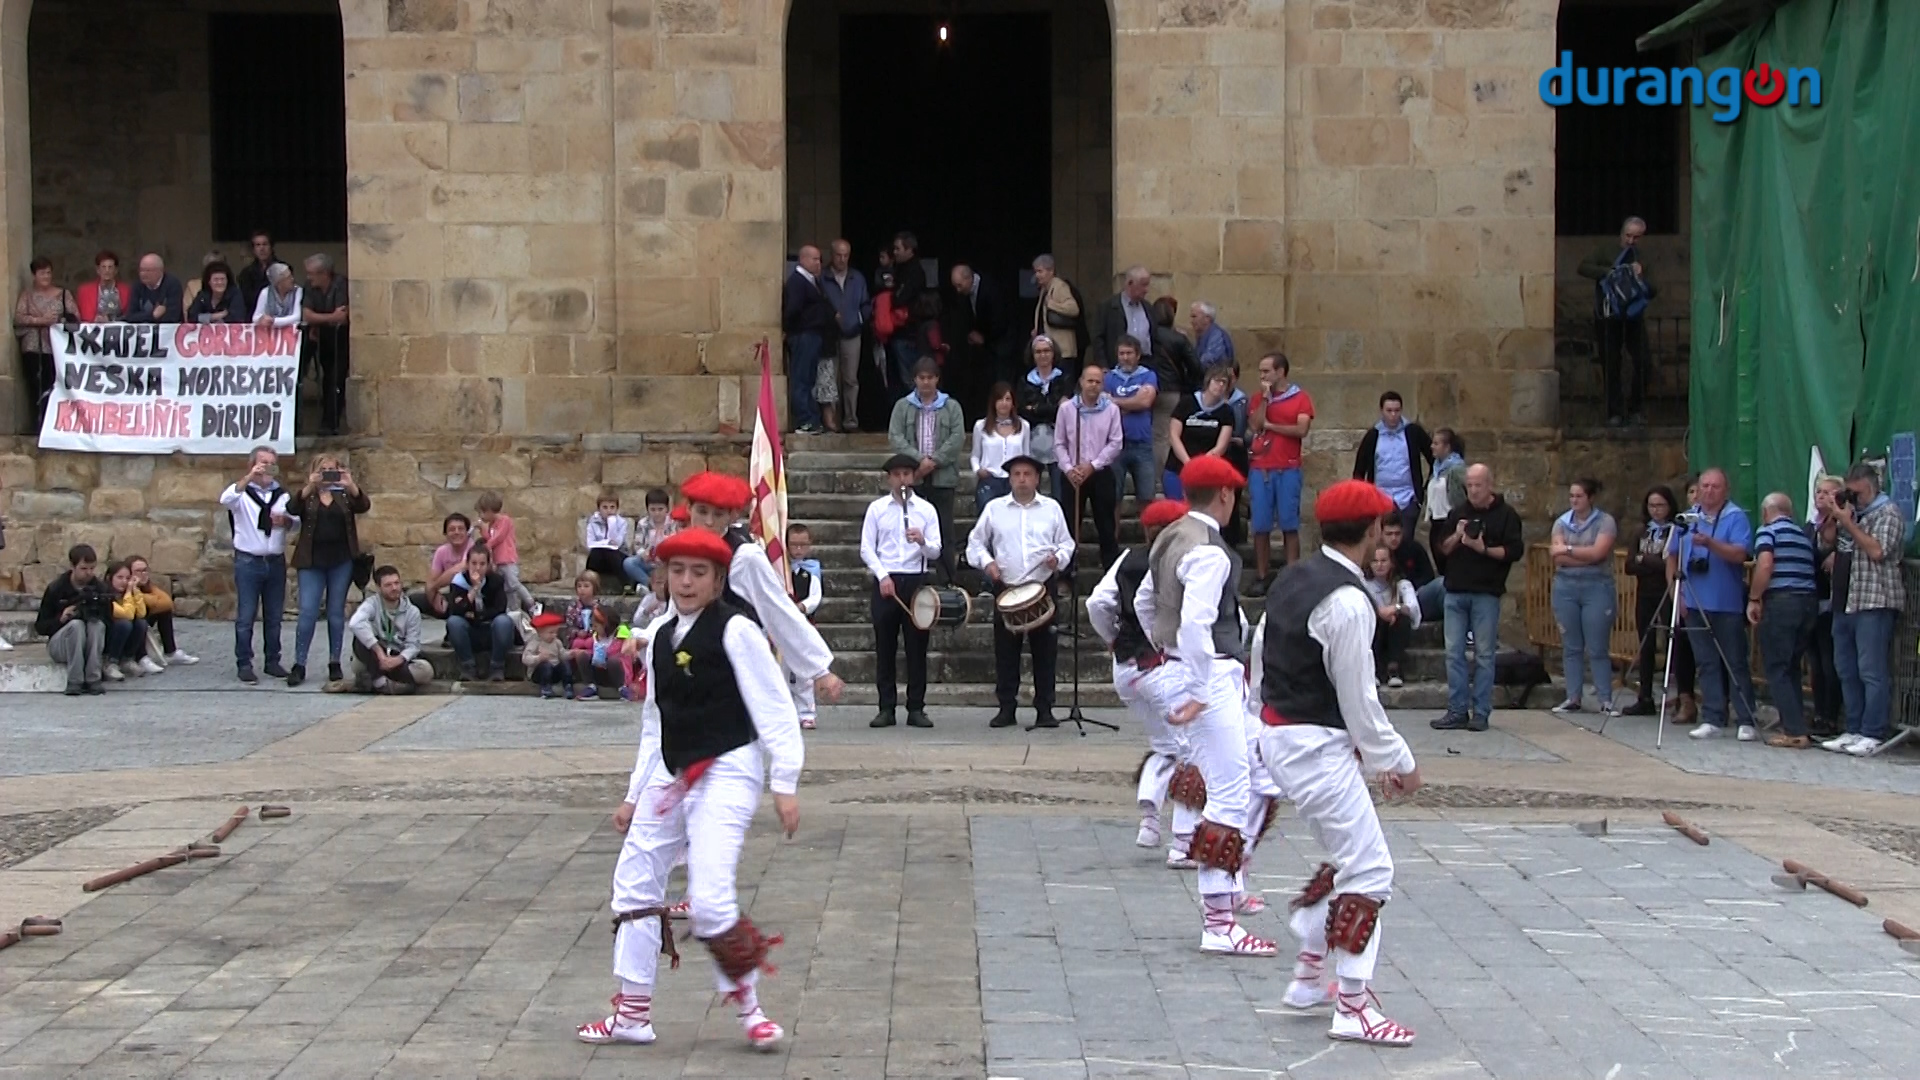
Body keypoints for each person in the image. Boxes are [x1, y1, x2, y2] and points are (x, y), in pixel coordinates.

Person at [576, 528, 804, 1052]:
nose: (685, 581)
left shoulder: (737, 631)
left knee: (708, 898)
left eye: (698, 573)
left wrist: (785, 780)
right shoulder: (656, 635)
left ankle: (751, 1010)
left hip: (728, 766)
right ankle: (631, 1014)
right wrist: (635, 795)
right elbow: (656, 723)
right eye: (677, 571)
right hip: (672, 770)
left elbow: (774, 705)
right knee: (634, 882)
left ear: (719, 579)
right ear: (664, 576)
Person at [1254, 479, 1421, 1047]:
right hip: (1312, 744)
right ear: (1374, 531)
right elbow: (1360, 698)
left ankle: (1306, 978)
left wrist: (1260, 717)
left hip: (1283, 734)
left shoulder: (1291, 577)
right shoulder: (1350, 602)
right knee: (1371, 870)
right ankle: (1352, 1007)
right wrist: (1397, 760)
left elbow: (1260, 650)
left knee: (1349, 856)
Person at [1135, 456, 1274, 958]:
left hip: (1191, 667)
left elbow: (1144, 603)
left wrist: (1163, 649)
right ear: (1225, 496)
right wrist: (1195, 684)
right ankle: (1219, 921)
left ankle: (1230, 887)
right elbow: (1195, 622)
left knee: (1258, 773)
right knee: (1230, 793)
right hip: (1208, 672)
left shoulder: (1169, 537)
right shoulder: (1210, 551)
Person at [1088, 498, 1198, 862]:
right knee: (1192, 751)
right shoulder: (1188, 561)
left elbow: (1096, 604)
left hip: (1126, 669)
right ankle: (1183, 842)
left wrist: (1111, 639)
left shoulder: (1126, 558)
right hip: (1165, 666)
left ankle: (1150, 824)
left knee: (1165, 745)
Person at [679, 471, 843, 711]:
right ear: (689, 510)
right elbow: (675, 611)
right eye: (702, 512)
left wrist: (819, 669)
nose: (709, 522)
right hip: (692, 659)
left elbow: (778, 609)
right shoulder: (684, 550)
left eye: (718, 514)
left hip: (734, 661)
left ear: (732, 515)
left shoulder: (745, 557)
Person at [968, 456, 1074, 730]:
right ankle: (1006, 707)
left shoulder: (1051, 508)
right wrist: (987, 563)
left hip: (1042, 588)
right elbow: (975, 543)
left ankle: (1045, 708)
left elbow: (1066, 543)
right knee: (1005, 651)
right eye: (1017, 474)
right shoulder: (994, 509)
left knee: (1045, 650)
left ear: (1038, 478)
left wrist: (1058, 559)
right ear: (1010, 478)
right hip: (1008, 587)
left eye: (1028, 473)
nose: (1022, 479)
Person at [1819, 462, 1907, 756]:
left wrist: (1850, 522)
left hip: (1875, 601)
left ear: (1870, 488)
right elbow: (1829, 543)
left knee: (1871, 670)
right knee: (1846, 669)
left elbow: (1877, 551)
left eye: (1855, 493)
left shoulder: (1888, 512)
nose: (1852, 498)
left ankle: (1873, 731)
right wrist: (1833, 516)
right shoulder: (1852, 513)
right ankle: (1854, 727)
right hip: (1845, 601)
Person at [1432, 465, 1524, 732]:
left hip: (1486, 592)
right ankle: (1457, 709)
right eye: (1469, 486)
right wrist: (1458, 536)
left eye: (1478, 485)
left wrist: (1482, 549)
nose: (1473, 490)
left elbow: (1513, 551)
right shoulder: (1458, 513)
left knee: (1484, 654)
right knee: (1453, 653)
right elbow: (1443, 549)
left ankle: (1481, 712)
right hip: (1455, 590)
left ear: (1490, 484)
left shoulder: (1506, 516)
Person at [1669, 468, 1755, 740]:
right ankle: (1713, 716)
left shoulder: (1735, 517)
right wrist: (1676, 593)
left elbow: (1740, 554)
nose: (1708, 491)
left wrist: (1710, 543)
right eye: (1704, 486)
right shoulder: (1688, 517)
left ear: (1725, 490)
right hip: (1694, 600)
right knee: (1705, 662)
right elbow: (1671, 554)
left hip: (1725, 602)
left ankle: (1746, 717)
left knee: (1734, 661)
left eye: (1715, 486)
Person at [862, 455, 942, 729]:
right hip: (887, 579)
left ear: (914, 477)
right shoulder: (877, 509)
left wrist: (922, 541)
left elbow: (936, 550)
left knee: (917, 647)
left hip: (915, 579)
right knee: (885, 646)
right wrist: (882, 575)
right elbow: (866, 548)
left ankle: (917, 707)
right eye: (897, 474)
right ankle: (886, 707)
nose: (902, 479)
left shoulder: (926, 510)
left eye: (907, 473)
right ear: (889, 479)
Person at [285, 454, 370, 688]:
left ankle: (334, 662)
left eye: (333, 469)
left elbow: (364, 505)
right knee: (308, 612)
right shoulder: (309, 495)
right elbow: (291, 508)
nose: (328, 474)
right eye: (324, 470)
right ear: (315, 471)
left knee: (335, 613)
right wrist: (310, 485)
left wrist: (350, 484)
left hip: (340, 560)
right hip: (312, 561)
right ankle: (299, 663)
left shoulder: (343, 495)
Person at [1749, 492, 1819, 748]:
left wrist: (1754, 597)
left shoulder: (1768, 531)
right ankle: (1796, 724)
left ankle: (1793, 731)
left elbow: (1765, 565)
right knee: (1791, 667)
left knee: (1777, 667)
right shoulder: (1802, 535)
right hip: (1807, 602)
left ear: (1766, 512)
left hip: (1782, 601)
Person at [887, 359, 966, 586]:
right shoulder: (903, 406)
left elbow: (957, 438)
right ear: (915, 380)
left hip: (943, 477)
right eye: (921, 378)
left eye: (930, 377)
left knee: (944, 529)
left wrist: (934, 461)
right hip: (915, 477)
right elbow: (896, 436)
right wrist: (918, 460)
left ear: (937, 379)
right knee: (913, 526)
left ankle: (947, 579)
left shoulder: (951, 406)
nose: (926, 382)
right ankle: (915, 575)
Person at [1548, 479, 1620, 717]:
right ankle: (1573, 696)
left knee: (1597, 646)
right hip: (1566, 586)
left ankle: (1605, 698)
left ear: (1590, 498)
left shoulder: (1604, 522)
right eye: (1572, 496)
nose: (1574, 500)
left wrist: (1569, 550)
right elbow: (1556, 558)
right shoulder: (1561, 522)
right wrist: (1582, 555)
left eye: (1579, 496)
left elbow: (1599, 553)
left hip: (1596, 585)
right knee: (1571, 645)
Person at [219, 446, 292, 684]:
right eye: (263, 462)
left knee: (274, 615)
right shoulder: (242, 494)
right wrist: (250, 476)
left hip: (275, 561)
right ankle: (244, 663)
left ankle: (272, 660)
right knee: (246, 615)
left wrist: (287, 521)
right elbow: (226, 499)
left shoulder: (282, 495)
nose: (267, 467)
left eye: (272, 463)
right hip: (248, 561)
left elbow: (297, 522)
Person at [1578, 216, 1655, 426]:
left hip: (1633, 317)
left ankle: (1636, 409)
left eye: (1636, 237)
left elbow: (1654, 289)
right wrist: (1610, 272)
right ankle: (1615, 412)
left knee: (1643, 363)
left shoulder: (1643, 257)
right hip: (1608, 317)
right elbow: (1583, 267)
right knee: (1611, 365)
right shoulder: (1605, 250)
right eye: (1628, 236)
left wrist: (1641, 276)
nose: (1631, 241)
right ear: (1622, 234)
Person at [1246, 352, 1313, 594]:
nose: (1262, 376)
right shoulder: (1257, 398)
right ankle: (1262, 575)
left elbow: (1301, 429)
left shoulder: (1301, 398)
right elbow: (1254, 425)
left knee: (1289, 523)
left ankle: (1292, 574)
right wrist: (1265, 400)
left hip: (1288, 468)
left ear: (1280, 372)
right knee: (1261, 525)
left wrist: (1272, 427)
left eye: (1266, 371)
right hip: (1261, 468)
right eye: (1261, 371)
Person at [1623, 486, 1690, 718]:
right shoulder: (1641, 531)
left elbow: (1669, 563)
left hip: (1668, 590)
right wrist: (1650, 561)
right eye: (1652, 506)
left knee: (1676, 642)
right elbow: (1630, 564)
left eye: (1660, 505)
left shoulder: (1676, 530)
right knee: (1646, 643)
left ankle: (1683, 695)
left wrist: (1646, 560)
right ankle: (1645, 696)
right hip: (1645, 592)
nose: (1656, 510)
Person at [1054, 363, 1124, 568]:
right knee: (1069, 524)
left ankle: (1110, 573)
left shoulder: (1112, 410)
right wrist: (1068, 468)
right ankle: (1067, 572)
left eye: (1098, 382)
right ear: (1081, 382)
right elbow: (1059, 442)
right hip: (1072, 474)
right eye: (1090, 381)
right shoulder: (1067, 409)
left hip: (1100, 472)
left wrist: (1093, 465)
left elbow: (1116, 442)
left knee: (1106, 525)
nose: (1093, 385)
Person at [1352, 391, 1433, 539]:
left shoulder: (1413, 432)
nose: (1393, 415)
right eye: (1389, 411)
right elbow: (1359, 470)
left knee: (1405, 540)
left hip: (1408, 497)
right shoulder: (1373, 435)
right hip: (1380, 496)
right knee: (1382, 540)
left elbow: (1434, 457)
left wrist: (1423, 490)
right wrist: (1364, 498)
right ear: (1381, 411)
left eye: (1397, 410)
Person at [346, 566, 433, 694]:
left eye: (397, 583)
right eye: (388, 585)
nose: (394, 588)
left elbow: (413, 645)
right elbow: (355, 623)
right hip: (373, 656)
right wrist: (379, 653)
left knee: (425, 671)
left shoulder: (412, 611)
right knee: (359, 638)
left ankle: (375, 680)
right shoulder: (371, 604)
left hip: (396, 657)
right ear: (379, 587)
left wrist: (397, 660)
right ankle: (381, 683)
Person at [37, 544, 108, 696]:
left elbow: (109, 621)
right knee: (76, 625)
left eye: (92, 568)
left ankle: (93, 679)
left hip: (89, 641)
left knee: (96, 626)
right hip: (60, 643)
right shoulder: (56, 588)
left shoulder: (99, 588)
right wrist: (61, 619)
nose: (88, 573)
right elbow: (40, 627)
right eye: (83, 568)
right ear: (72, 566)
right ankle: (75, 681)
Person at [13, 257, 75, 427]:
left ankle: (54, 422)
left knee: (54, 383)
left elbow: (74, 319)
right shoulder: (27, 295)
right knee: (36, 384)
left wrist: (59, 321)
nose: (46, 276)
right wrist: (40, 320)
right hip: (33, 346)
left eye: (48, 272)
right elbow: (19, 318)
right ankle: (38, 423)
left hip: (56, 347)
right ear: (34, 275)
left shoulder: (63, 294)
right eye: (42, 273)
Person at [782, 244, 834, 434]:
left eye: (819, 259)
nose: (819, 263)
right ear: (803, 259)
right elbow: (793, 310)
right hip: (804, 335)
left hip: (813, 336)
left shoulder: (813, 281)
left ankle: (812, 419)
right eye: (814, 259)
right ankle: (804, 420)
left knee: (810, 378)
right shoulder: (798, 282)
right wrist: (792, 329)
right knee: (801, 378)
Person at [1104, 336, 1160, 511]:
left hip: (1142, 443)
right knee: (1114, 499)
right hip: (1115, 445)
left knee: (1147, 498)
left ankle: (1150, 539)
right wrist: (1132, 401)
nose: (1125, 357)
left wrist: (1116, 401)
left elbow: (1145, 402)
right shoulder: (1109, 377)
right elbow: (1104, 407)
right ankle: (1113, 538)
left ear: (1138, 355)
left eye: (1129, 353)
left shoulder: (1149, 375)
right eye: (1121, 353)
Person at [1164, 365, 1235, 502]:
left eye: (1224, 382)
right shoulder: (1187, 402)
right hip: (1178, 468)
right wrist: (1188, 462)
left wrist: (1200, 465)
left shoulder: (1226, 411)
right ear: (1208, 381)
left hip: (1205, 471)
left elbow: (1221, 445)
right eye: (1217, 380)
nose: (1220, 385)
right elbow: (1174, 435)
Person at [445, 544, 516, 682]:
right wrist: (474, 589)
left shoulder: (496, 581)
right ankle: (468, 667)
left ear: (488, 565)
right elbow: (456, 609)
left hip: (490, 629)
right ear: (467, 564)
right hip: (470, 631)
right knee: (454, 623)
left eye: (482, 564)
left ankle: (497, 667)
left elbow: (499, 608)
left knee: (504, 621)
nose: (477, 568)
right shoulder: (458, 582)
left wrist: (478, 616)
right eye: (474, 563)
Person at [1808, 475, 1846, 737]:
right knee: (1816, 663)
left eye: (1827, 493)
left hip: (1834, 601)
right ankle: (1819, 712)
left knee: (1829, 661)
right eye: (1818, 491)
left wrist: (1835, 554)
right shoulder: (1811, 525)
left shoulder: (1843, 524)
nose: (1821, 496)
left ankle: (1832, 715)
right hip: (1812, 599)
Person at [822, 239, 870, 431]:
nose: (842, 259)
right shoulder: (823, 277)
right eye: (838, 255)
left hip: (852, 334)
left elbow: (866, 303)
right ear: (832, 255)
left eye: (846, 255)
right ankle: (831, 421)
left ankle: (851, 420)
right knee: (829, 378)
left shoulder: (857, 278)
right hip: (830, 335)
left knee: (851, 379)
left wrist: (858, 319)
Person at [301, 254, 352, 435]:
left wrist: (320, 319)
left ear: (325, 274)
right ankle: (326, 422)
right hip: (322, 337)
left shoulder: (340, 284)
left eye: (312, 273)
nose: (308, 277)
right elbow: (307, 315)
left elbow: (343, 319)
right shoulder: (310, 287)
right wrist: (330, 318)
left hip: (340, 338)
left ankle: (332, 423)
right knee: (326, 379)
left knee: (337, 378)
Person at [947, 263, 1006, 419]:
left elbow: (1001, 321)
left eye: (959, 285)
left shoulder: (991, 290)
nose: (958, 290)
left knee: (998, 384)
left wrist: (984, 338)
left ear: (969, 279)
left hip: (1000, 346)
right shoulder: (963, 296)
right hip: (980, 351)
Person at [1362, 544, 1421, 689]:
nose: (1379, 565)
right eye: (1375, 561)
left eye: (1384, 561)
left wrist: (1396, 608)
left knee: (1401, 619)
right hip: (1375, 630)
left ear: (1391, 563)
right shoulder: (1364, 584)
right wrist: (1380, 613)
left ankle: (1394, 668)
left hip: (1395, 630)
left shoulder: (1402, 584)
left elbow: (1413, 607)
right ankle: (1373, 670)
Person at [1017, 336, 1071, 489]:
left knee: (1059, 488)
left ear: (1054, 353)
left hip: (1059, 437)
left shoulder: (1064, 378)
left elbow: (1065, 410)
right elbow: (1022, 410)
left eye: (1047, 350)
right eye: (1038, 352)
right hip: (1032, 439)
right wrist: (1052, 407)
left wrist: (1035, 408)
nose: (1043, 355)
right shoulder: (1024, 381)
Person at [970, 383, 1030, 514]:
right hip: (990, 480)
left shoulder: (1024, 426)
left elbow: (1026, 456)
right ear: (994, 402)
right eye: (1000, 399)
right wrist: (978, 470)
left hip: (1014, 481)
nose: (1004, 403)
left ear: (1013, 403)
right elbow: (975, 455)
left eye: (1008, 399)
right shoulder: (981, 426)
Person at [127, 556, 198, 667]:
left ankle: (171, 651)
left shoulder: (148, 587)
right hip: (129, 625)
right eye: (138, 571)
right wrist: (134, 589)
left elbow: (166, 603)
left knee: (164, 611)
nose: (143, 574)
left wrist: (144, 595)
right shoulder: (126, 587)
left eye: (145, 570)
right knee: (139, 619)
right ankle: (141, 657)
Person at [786, 523, 824, 730]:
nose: (798, 550)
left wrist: (803, 606)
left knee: (804, 674)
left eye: (803, 545)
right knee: (781, 670)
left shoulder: (811, 571)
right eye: (794, 545)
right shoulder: (779, 569)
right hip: (782, 627)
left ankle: (806, 712)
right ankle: (783, 712)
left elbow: (816, 597)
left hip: (803, 625)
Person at [475, 491, 537, 614]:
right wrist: (482, 530)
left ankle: (531, 603)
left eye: (481, 513)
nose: (481, 516)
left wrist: (487, 546)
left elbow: (499, 537)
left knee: (513, 583)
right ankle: (513, 609)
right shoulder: (492, 524)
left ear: (489, 510)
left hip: (507, 559)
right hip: (498, 561)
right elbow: (490, 538)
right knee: (507, 588)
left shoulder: (505, 521)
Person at [1088, 265, 1154, 370]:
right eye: (1143, 285)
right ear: (1130, 283)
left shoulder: (1148, 307)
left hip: (1145, 363)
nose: (1146, 290)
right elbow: (1097, 338)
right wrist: (1103, 365)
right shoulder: (1108, 307)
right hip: (1118, 365)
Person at [414, 513, 476, 618]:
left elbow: (459, 570)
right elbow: (431, 581)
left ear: (467, 532)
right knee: (413, 599)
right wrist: (434, 597)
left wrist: (434, 587)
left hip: (470, 594)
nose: (456, 532)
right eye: (452, 529)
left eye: (460, 529)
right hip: (450, 594)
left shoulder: (472, 547)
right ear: (446, 533)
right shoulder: (441, 551)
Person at [1424, 428, 1467, 573]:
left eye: (1436, 443)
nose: (1432, 447)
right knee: (1441, 568)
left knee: (1452, 567)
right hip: (1436, 523)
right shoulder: (1436, 469)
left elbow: (1467, 491)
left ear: (1447, 447)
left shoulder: (1457, 468)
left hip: (1450, 522)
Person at [1030, 254, 1083, 364]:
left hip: (1062, 350)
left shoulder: (1060, 286)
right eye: (1036, 272)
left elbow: (1073, 309)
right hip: (1051, 350)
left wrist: (1052, 304)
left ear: (1051, 271)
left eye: (1040, 271)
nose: (1037, 275)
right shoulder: (1044, 290)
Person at [102, 562, 150, 681]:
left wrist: (135, 591)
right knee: (124, 624)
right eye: (119, 577)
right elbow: (127, 614)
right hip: (109, 635)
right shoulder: (106, 595)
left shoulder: (127, 595)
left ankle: (127, 659)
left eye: (127, 578)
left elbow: (141, 613)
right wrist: (129, 592)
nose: (124, 581)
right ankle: (110, 662)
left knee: (141, 623)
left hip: (124, 633)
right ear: (110, 578)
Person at [623, 489, 678, 590]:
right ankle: (650, 585)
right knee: (629, 563)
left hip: (666, 562)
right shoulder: (643, 523)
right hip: (648, 562)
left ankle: (654, 586)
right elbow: (637, 545)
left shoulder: (673, 524)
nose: (657, 513)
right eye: (653, 510)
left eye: (660, 509)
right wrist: (643, 554)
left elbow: (677, 545)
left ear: (667, 509)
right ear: (647, 509)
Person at [585, 492, 634, 590]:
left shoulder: (622, 523)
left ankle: (627, 585)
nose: (609, 511)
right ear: (599, 509)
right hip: (599, 557)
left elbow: (617, 543)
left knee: (610, 552)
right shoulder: (592, 523)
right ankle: (588, 584)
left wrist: (612, 524)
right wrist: (605, 543)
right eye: (605, 507)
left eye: (612, 507)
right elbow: (590, 543)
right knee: (596, 553)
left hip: (616, 556)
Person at [121, 254, 184, 325]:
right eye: (141, 270)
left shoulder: (173, 284)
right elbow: (130, 317)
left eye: (148, 270)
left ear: (160, 271)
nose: (143, 274)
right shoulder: (137, 285)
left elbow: (173, 317)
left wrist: (142, 317)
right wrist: (153, 315)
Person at [524, 612, 575, 698]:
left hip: (554, 671)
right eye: (551, 632)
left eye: (556, 632)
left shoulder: (557, 642)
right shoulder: (535, 642)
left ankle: (568, 685)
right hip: (539, 673)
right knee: (545, 665)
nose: (554, 635)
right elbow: (526, 658)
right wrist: (538, 658)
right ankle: (545, 687)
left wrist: (570, 654)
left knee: (565, 664)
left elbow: (562, 654)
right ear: (540, 632)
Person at [76, 251, 129, 323]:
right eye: (103, 267)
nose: (107, 271)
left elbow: (129, 315)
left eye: (110, 267)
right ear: (98, 270)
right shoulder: (85, 291)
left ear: (116, 270)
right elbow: (81, 316)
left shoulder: (126, 290)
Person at [237, 230, 277, 314]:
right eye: (258, 245)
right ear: (254, 249)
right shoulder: (246, 273)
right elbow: (246, 299)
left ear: (271, 247)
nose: (262, 248)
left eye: (265, 244)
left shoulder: (283, 269)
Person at [252, 263, 302, 330]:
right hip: (270, 336)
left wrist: (274, 321)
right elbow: (255, 318)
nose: (292, 279)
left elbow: (297, 317)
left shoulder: (298, 291)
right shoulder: (265, 292)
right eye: (288, 277)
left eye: (291, 276)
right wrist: (261, 319)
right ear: (279, 282)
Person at [1190, 301, 1234, 369]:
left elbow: (1208, 361)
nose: (1191, 321)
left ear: (1207, 318)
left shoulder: (1217, 336)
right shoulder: (1201, 336)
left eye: (1194, 316)